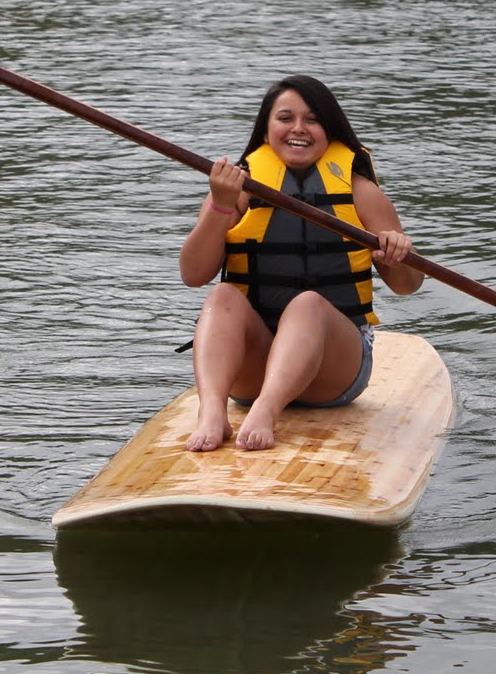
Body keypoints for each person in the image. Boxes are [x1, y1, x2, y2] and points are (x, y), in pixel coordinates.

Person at [178, 75, 423, 451]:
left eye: (312, 119)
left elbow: (407, 285)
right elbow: (194, 275)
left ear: (330, 129)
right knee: (221, 295)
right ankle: (212, 411)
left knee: (308, 304)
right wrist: (219, 205)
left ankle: (268, 410)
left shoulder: (360, 192)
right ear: (266, 129)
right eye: (285, 118)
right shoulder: (238, 189)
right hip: (254, 367)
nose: (298, 129)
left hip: (333, 372)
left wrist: (399, 253)